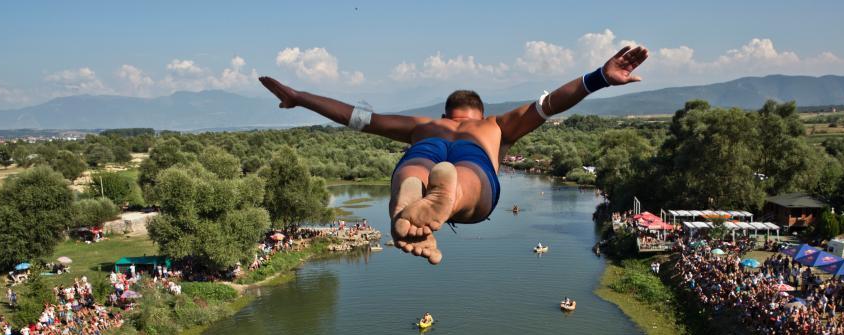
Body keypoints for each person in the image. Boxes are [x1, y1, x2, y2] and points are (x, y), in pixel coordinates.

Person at [259, 45, 648, 264]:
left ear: (447, 115)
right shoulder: (495, 126)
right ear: (479, 113)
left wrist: (300, 97)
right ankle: (451, 195)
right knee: (469, 179)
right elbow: (551, 104)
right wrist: (599, 76)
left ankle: (407, 195)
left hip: (425, 144)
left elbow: (357, 118)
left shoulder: (424, 124)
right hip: (475, 158)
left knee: (417, 163)